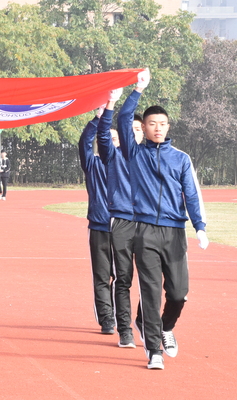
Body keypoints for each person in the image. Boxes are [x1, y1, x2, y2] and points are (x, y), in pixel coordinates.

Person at [116, 69, 209, 370]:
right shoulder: (134, 153)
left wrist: (200, 227)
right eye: (152, 124)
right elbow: (122, 119)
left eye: (162, 124)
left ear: (168, 127)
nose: (158, 128)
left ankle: (165, 327)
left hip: (174, 232)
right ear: (143, 127)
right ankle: (154, 350)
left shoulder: (180, 158)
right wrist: (137, 90)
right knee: (151, 291)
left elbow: (191, 194)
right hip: (144, 231)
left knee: (178, 293)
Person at [96, 88, 139, 348]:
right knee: (123, 278)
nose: (133, 132)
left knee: (152, 279)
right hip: (121, 221)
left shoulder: (149, 155)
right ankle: (125, 330)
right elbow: (104, 134)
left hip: (148, 223)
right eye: (130, 128)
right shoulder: (113, 154)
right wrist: (111, 102)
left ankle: (145, 322)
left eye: (138, 129)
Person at [78, 106, 115, 335]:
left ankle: (120, 315)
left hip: (124, 227)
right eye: (106, 137)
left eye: (114, 139)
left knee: (122, 277)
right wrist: (97, 118)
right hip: (100, 226)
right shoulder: (93, 164)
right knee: (102, 276)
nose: (109, 142)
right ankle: (107, 319)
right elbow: (84, 142)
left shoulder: (127, 165)